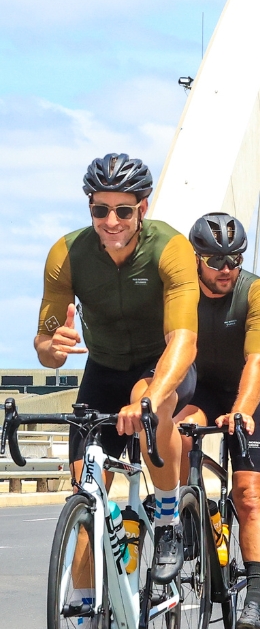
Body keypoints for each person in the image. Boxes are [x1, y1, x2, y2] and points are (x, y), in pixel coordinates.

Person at [36, 154, 199, 595]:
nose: (111, 221)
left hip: (159, 364)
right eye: (100, 210)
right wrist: (54, 348)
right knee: (86, 500)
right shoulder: (67, 254)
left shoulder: (171, 248)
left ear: (142, 209)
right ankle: (89, 622)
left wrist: (148, 399)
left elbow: (184, 341)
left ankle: (166, 520)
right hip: (102, 371)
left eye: (123, 210)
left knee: (151, 402)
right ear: (89, 207)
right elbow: (46, 348)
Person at [174, 213, 260, 629]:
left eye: (234, 260)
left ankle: (254, 596)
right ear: (196, 259)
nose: (225, 269)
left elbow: (258, 361)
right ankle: (192, 514)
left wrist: (242, 409)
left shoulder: (255, 291)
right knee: (179, 432)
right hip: (202, 389)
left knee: (249, 494)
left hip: (252, 391)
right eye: (215, 261)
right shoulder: (179, 293)